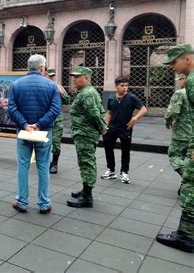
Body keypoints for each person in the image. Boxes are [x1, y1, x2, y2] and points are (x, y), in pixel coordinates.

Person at [8, 54, 61, 214]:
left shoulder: (16, 85)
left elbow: (12, 108)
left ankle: (22, 202)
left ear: (28, 67)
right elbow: (55, 109)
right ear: (43, 68)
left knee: (23, 165)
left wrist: (25, 124)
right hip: (44, 133)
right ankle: (44, 204)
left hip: (24, 132)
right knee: (43, 166)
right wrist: (39, 125)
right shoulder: (51, 86)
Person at [157, 44, 194, 253]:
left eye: (174, 62)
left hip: (184, 135)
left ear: (187, 59)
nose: (172, 67)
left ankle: (186, 237)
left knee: (189, 186)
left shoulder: (192, 81)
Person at [67, 66, 107, 208]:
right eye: (74, 77)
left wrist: (102, 128)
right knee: (86, 162)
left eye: (78, 77)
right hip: (84, 133)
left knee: (86, 163)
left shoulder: (87, 93)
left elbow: (94, 114)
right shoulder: (86, 91)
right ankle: (85, 191)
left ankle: (87, 197)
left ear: (87, 78)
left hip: (85, 133)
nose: (74, 79)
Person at [101, 77, 148, 184]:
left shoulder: (131, 97)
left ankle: (124, 172)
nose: (125, 88)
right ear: (116, 86)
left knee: (125, 151)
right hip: (111, 128)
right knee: (108, 149)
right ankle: (111, 171)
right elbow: (108, 112)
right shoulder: (111, 98)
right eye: (122, 86)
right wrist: (105, 126)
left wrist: (135, 118)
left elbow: (144, 109)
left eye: (126, 85)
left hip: (125, 129)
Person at [165, 74, 191, 195]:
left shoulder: (181, 93)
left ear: (184, 79)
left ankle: (190, 178)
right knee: (191, 160)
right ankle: (185, 187)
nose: (179, 82)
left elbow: (172, 112)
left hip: (182, 134)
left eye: (180, 80)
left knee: (174, 156)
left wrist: (168, 121)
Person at [46, 68, 70, 174]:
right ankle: (44, 162)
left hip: (57, 120)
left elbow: (68, 101)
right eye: (49, 76)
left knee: (56, 143)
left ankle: (54, 164)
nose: (51, 78)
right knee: (43, 142)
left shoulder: (59, 87)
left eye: (52, 76)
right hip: (45, 119)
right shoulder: (43, 87)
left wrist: (62, 93)